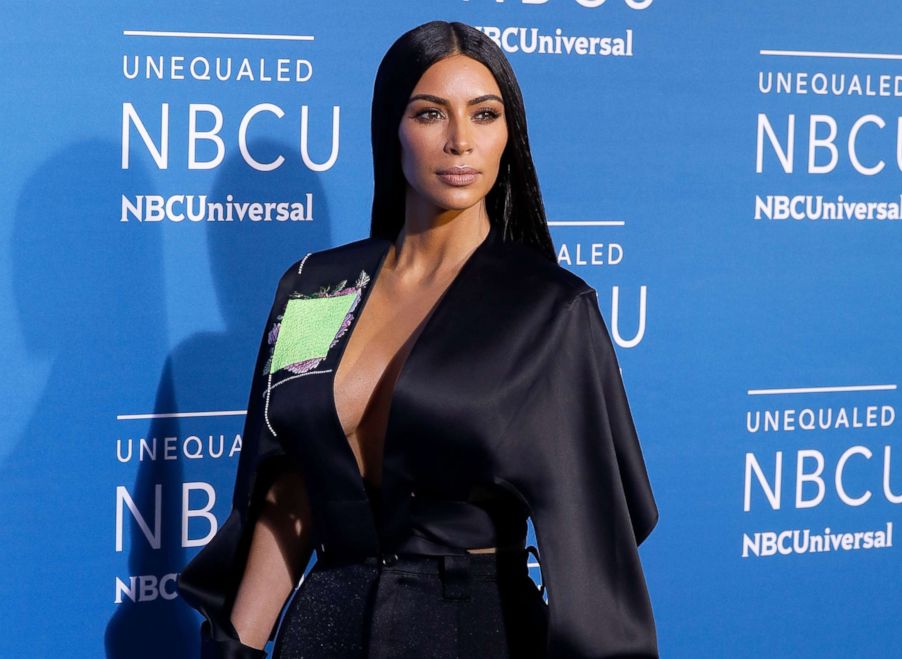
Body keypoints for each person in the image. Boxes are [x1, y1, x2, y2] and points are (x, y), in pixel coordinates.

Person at [177, 20, 659, 658]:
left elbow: (596, 539)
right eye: (431, 113)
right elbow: (292, 490)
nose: (460, 141)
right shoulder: (318, 290)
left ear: (508, 135)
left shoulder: (547, 311)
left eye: (484, 115)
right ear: (391, 129)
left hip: (474, 631)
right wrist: (237, 647)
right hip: (325, 628)